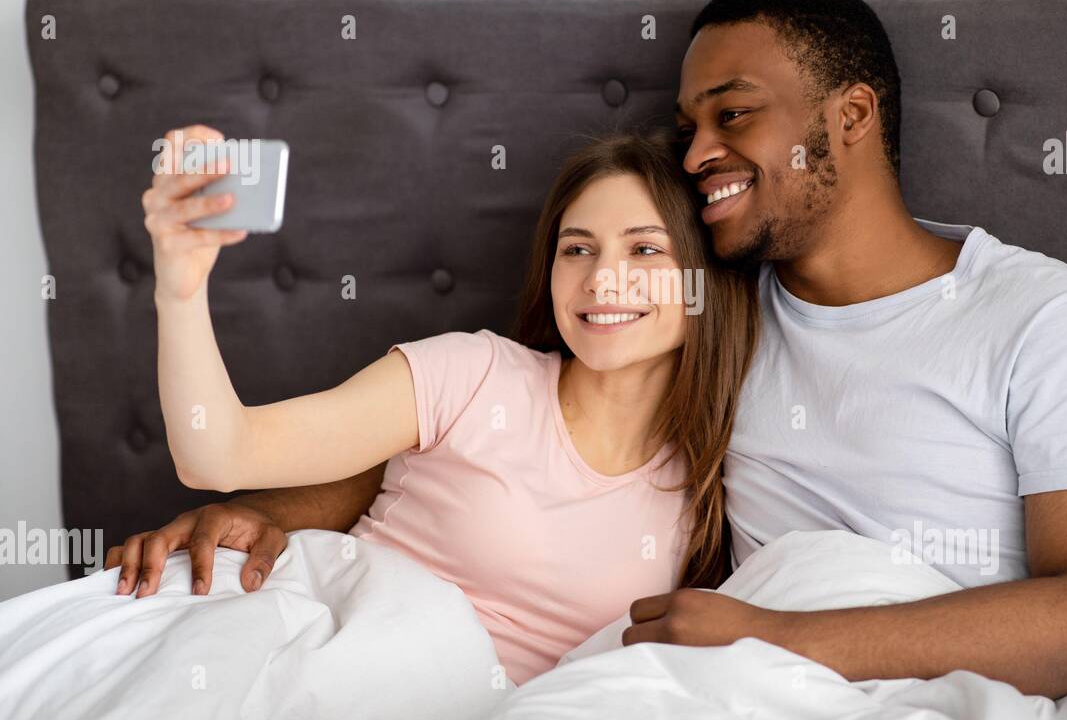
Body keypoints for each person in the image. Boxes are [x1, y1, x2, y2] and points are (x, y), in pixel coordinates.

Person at [116, 0, 1067, 701]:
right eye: (689, 125)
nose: (700, 151)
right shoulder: (712, 314)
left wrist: (777, 637)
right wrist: (258, 509)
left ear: (849, 117)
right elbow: (481, 437)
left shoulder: (1040, 319)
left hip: (843, 670)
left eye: (733, 114)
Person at [113, 125, 757, 685]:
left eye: (644, 249)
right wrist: (180, 282)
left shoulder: (714, 481)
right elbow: (219, 454)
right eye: (578, 248)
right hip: (333, 662)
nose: (601, 279)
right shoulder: (472, 374)